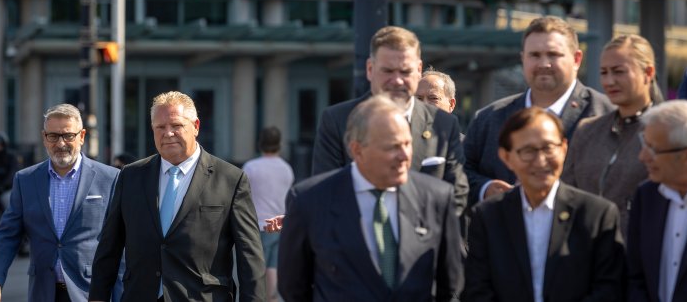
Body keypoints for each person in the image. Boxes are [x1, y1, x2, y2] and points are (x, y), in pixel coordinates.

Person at [278, 95, 464, 301]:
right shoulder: (309, 201)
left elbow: (450, 286)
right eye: (392, 146)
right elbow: (293, 289)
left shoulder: (436, 197)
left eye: (407, 144)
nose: (404, 156)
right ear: (357, 150)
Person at [89, 91, 265, 302]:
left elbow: (249, 256)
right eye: (160, 127)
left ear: (196, 126)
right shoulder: (131, 176)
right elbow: (110, 246)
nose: (168, 133)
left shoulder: (230, 179)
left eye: (176, 126)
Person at [463, 107, 625, 302]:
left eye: (549, 148)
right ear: (506, 157)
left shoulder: (597, 214)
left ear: (564, 149)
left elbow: (609, 289)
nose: (540, 162)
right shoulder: (488, 216)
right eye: (528, 151)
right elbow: (477, 290)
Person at [312, 26, 468, 217]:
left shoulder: (443, 124)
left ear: (419, 70)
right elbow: (324, 194)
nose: (397, 80)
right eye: (387, 71)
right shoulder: (337, 120)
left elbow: (457, 197)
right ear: (370, 69)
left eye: (405, 71)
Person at [464, 15, 614, 207]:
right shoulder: (489, 118)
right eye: (534, 55)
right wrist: (485, 189)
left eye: (553, 54)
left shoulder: (606, 115)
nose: (544, 64)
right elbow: (461, 172)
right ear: (522, 59)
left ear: (576, 59)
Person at [0, 104, 122, 302]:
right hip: (43, 292)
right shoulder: (26, 180)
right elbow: (6, 235)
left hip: (92, 293)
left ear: (81, 136)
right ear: (44, 138)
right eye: (53, 136)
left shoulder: (110, 178)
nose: (61, 143)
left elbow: (121, 243)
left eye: (68, 136)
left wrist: (116, 293)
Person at [562, 34, 663, 235]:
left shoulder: (666, 132)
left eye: (619, 72)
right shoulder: (587, 130)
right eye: (604, 72)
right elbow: (566, 195)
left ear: (648, 72)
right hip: (587, 253)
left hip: (640, 253)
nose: (609, 81)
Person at [627, 100, 687, 302]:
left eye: (653, 149)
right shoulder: (646, 197)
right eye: (643, 144)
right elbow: (634, 275)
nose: (642, 156)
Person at [243, 126, 294, 302]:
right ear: (279, 144)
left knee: (257, 267)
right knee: (273, 265)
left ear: (260, 143)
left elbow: (243, 195)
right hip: (280, 224)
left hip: (257, 224)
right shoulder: (287, 169)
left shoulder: (250, 167)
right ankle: (273, 298)